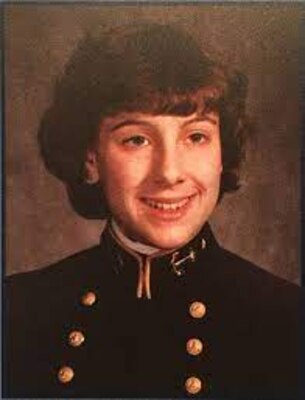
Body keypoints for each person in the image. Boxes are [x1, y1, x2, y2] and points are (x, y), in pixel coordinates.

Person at [4, 23, 300, 399]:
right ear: (90, 159)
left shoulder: (287, 321)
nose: (169, 173)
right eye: (137, 140)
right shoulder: (18, 311)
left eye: (196, 137)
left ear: (222, 153)